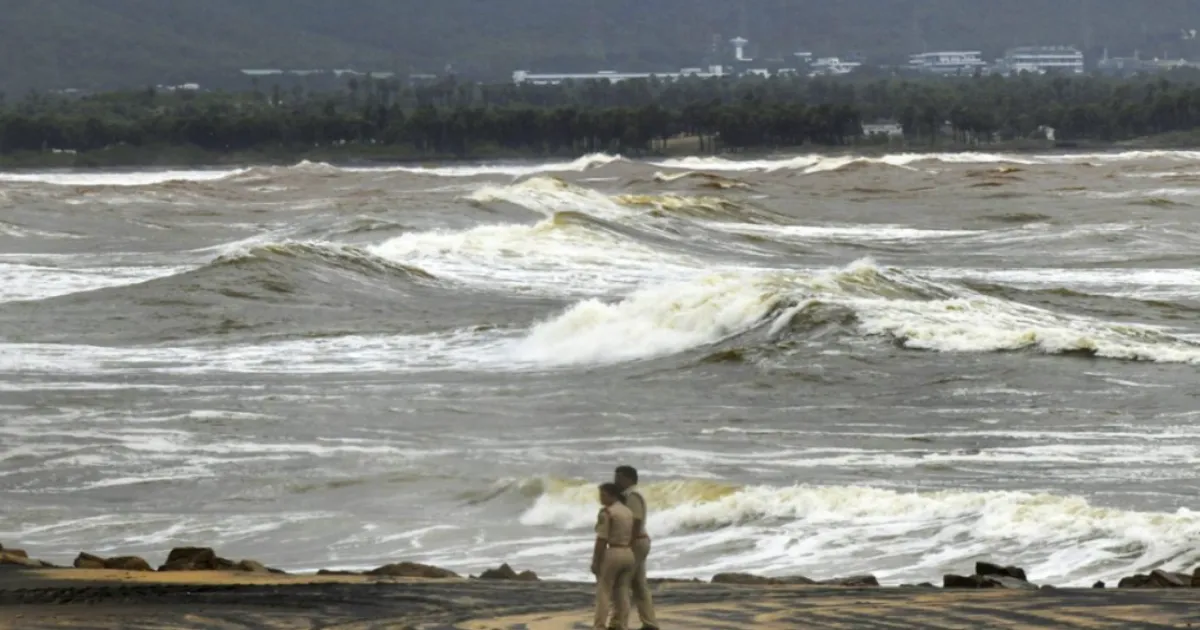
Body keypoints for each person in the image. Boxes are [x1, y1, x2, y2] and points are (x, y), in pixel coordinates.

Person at [614, 465, 658, 630]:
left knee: (622, 583)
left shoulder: (632, 496)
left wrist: (628, 543)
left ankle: (620, 624)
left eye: (619, 478)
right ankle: (650, 622)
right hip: (640, 541)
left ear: (630, 479)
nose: (616, 481)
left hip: (636, 542)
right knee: (639, 584)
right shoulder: (629, 495)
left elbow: (636, 520)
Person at [592, 482, 636, 630]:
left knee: (604, 590)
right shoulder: (628, 512)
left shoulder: (607, 513)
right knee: (622, 590)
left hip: (613, 552)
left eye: (603, 495)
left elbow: (602, 538)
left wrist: (596, 560)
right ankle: (620, 623)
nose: (601, 498)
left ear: (612, 495)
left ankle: (599, 625)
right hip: (628, 552)